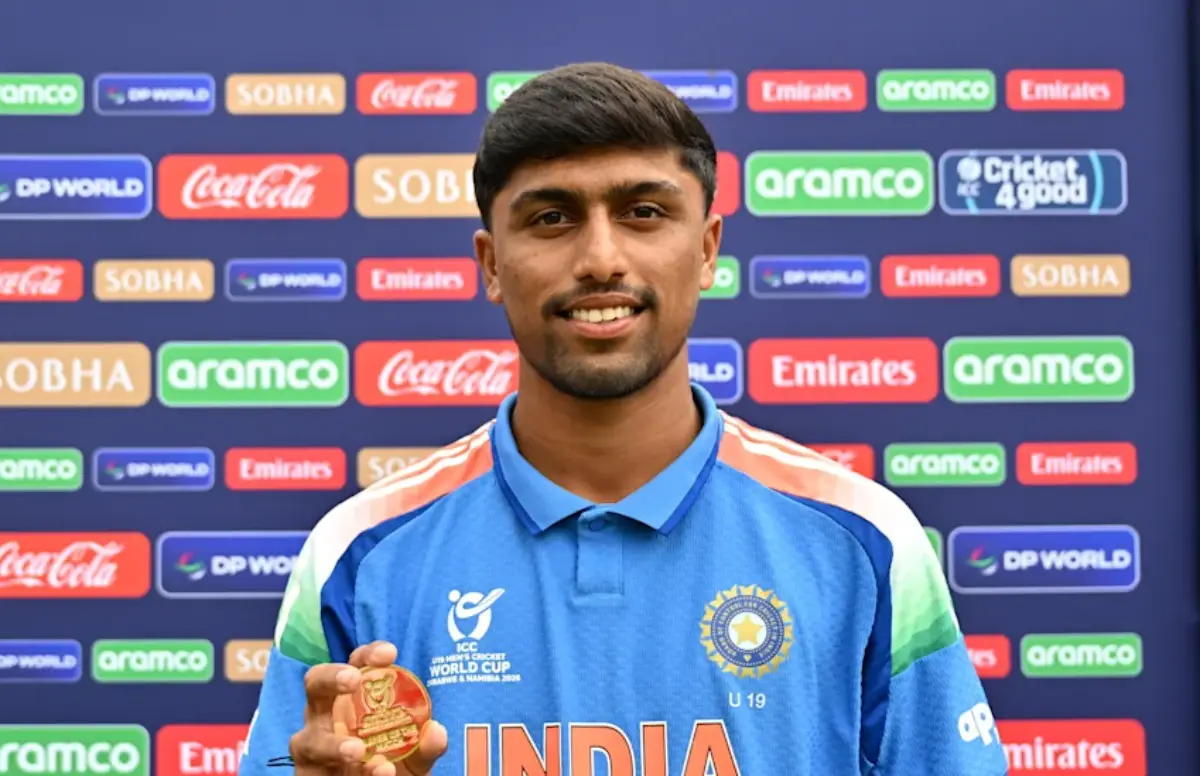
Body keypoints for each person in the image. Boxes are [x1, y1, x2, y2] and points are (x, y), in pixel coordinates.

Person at [238, 62, 1009, 776]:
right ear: (492, 264)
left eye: (644, 212)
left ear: (706, 249)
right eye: (552, 217)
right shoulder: (359, 554)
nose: (601, 258)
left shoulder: (864, 540)